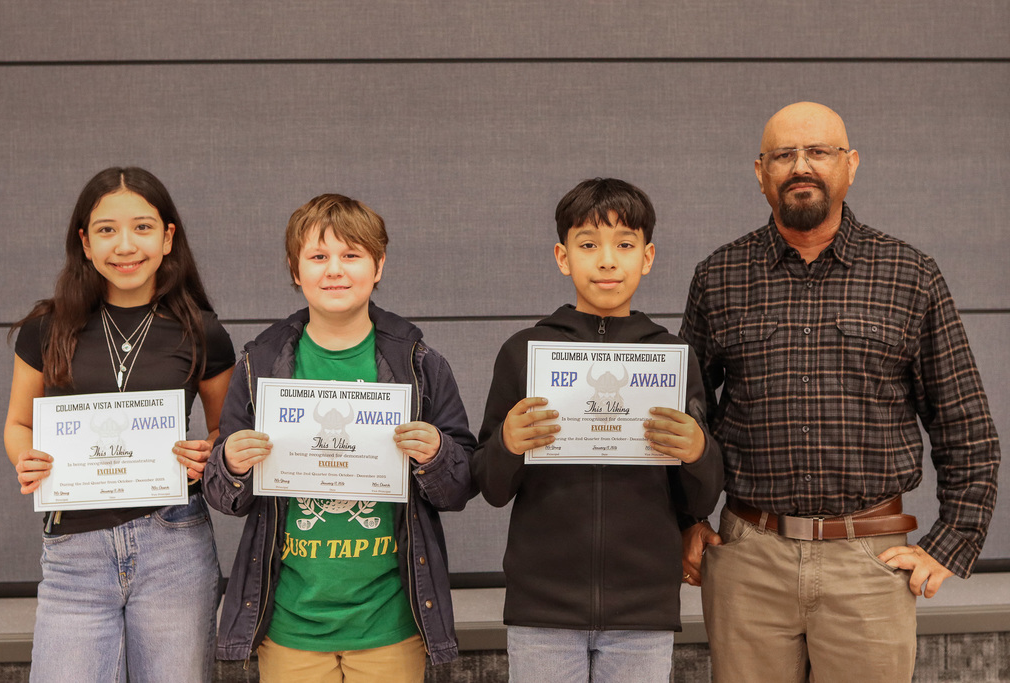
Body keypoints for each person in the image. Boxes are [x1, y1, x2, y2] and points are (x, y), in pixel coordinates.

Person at [679, 102, 1001, 682]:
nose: (801, 166)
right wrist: (684, 519)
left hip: (869, 564)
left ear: (850, 165)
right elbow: (684, 414)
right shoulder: (719, 275)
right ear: (761, 173)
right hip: (749, 559)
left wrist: (952, 540)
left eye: (819, 151)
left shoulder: (911, 275)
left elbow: (967, 429)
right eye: (784, 155)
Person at [203, 193, 475, 681]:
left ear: (379, 265)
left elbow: (460, 486)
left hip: (391, 621)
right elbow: (224, 496)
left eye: (352, 255)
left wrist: (437, 455)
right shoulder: (258, 363)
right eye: (318, 256)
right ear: (294, 269)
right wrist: (231, 464)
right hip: (290, 623)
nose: (335, 270)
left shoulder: (420, 364)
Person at [472, 178, 723, 682]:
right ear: (563, 257)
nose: (607, 260)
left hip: (643, 607)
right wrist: (508, 445)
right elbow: (491, 486)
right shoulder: (525, 352)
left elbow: (699, 499)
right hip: (542, 605)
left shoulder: (673, 357)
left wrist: (698, 451)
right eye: (588, 245)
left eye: (624, 245)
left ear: (647, 257)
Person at [4, 166, 236, 681]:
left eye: (143, 227)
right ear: (85, 243)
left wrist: (208, 454)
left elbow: (226, 433)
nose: (125, 245)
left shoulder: (203, 331)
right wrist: (25, 456)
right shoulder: (46, 328)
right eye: (107, 230)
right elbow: (18, 423)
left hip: (174, 542)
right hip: (73, 551)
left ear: (168, 237)